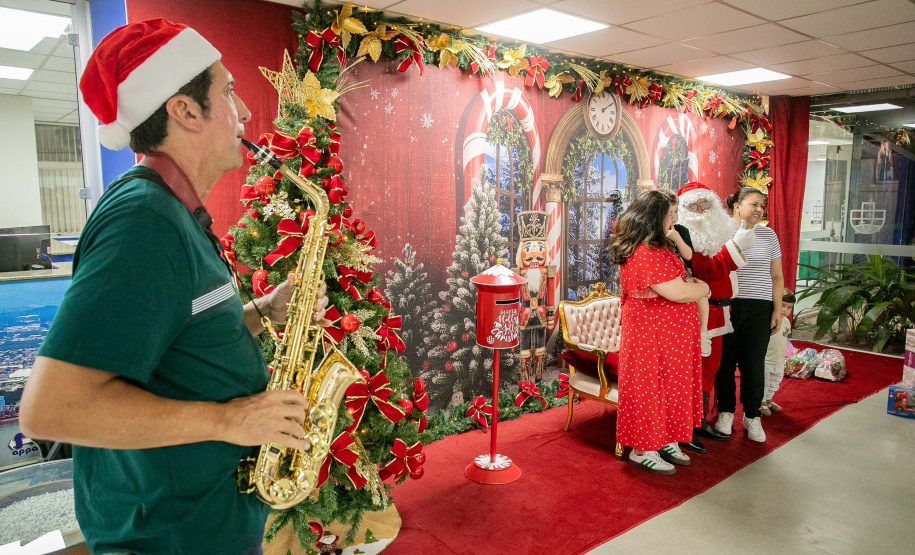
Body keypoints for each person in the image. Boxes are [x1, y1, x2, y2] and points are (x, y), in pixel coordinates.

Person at [19, 19, 325, 555]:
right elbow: (50, 409)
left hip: (204, 521)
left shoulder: (172, 212)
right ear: (184, 110)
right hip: (169, 536)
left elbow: (176, 329)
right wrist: (231, 419)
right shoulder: (144, 222)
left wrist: (263, 311)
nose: (247, 112)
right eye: (228, 92)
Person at [608, 190, 709, 475]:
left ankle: (664, 439)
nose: (674, 219)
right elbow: (677, 291)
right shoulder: (644, 251)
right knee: (649, 389)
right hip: (650, 337)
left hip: (670, 338)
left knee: (669, 388)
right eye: (670, 214)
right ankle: (643, 449)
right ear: (654, 217)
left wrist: (693, 287)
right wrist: (703, 289)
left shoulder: (659, 246)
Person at [668, 182, 755, 454]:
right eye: (692, 206)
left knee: (709, 370)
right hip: (693, 312)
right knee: (690, 371)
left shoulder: (721, 232)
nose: (699, 211)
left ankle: (699, 422)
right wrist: (731, 254)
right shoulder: (680, 238)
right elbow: (707, 269)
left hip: (721, 311)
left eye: (704, 204)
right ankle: (683, 428)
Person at [714, 187, 784, 443]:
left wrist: (777, 310)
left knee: (753, 364)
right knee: (725, 363)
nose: (759, 209)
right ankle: (725, 412)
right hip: (727, 305)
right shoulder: (720, 233)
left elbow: (777, 277)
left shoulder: (768, 235)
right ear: (737, 206)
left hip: (760, 307)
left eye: (761, 205)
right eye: (754, 204)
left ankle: (752, 416)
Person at [761, 288, 795, 416]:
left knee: (775, 381)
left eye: (789, 307)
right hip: (766, 359)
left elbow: (784, 339)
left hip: (779, 360)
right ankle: (761, 401)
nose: (786, 310)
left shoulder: (786, 322)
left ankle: (769, 399)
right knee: (764, 382)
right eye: (783, 305)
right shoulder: (768, 320)